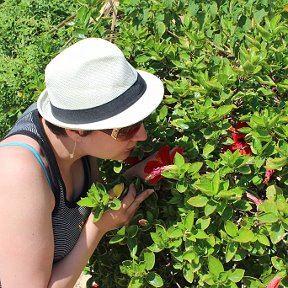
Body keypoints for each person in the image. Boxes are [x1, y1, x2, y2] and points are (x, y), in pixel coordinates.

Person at [0, 38, 164, 287]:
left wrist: (142, 172)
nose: (143, 135)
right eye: (128, 127)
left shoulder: (76, 126)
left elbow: (95, 199)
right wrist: (97, 228)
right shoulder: (18, 174)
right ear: (77, 131)